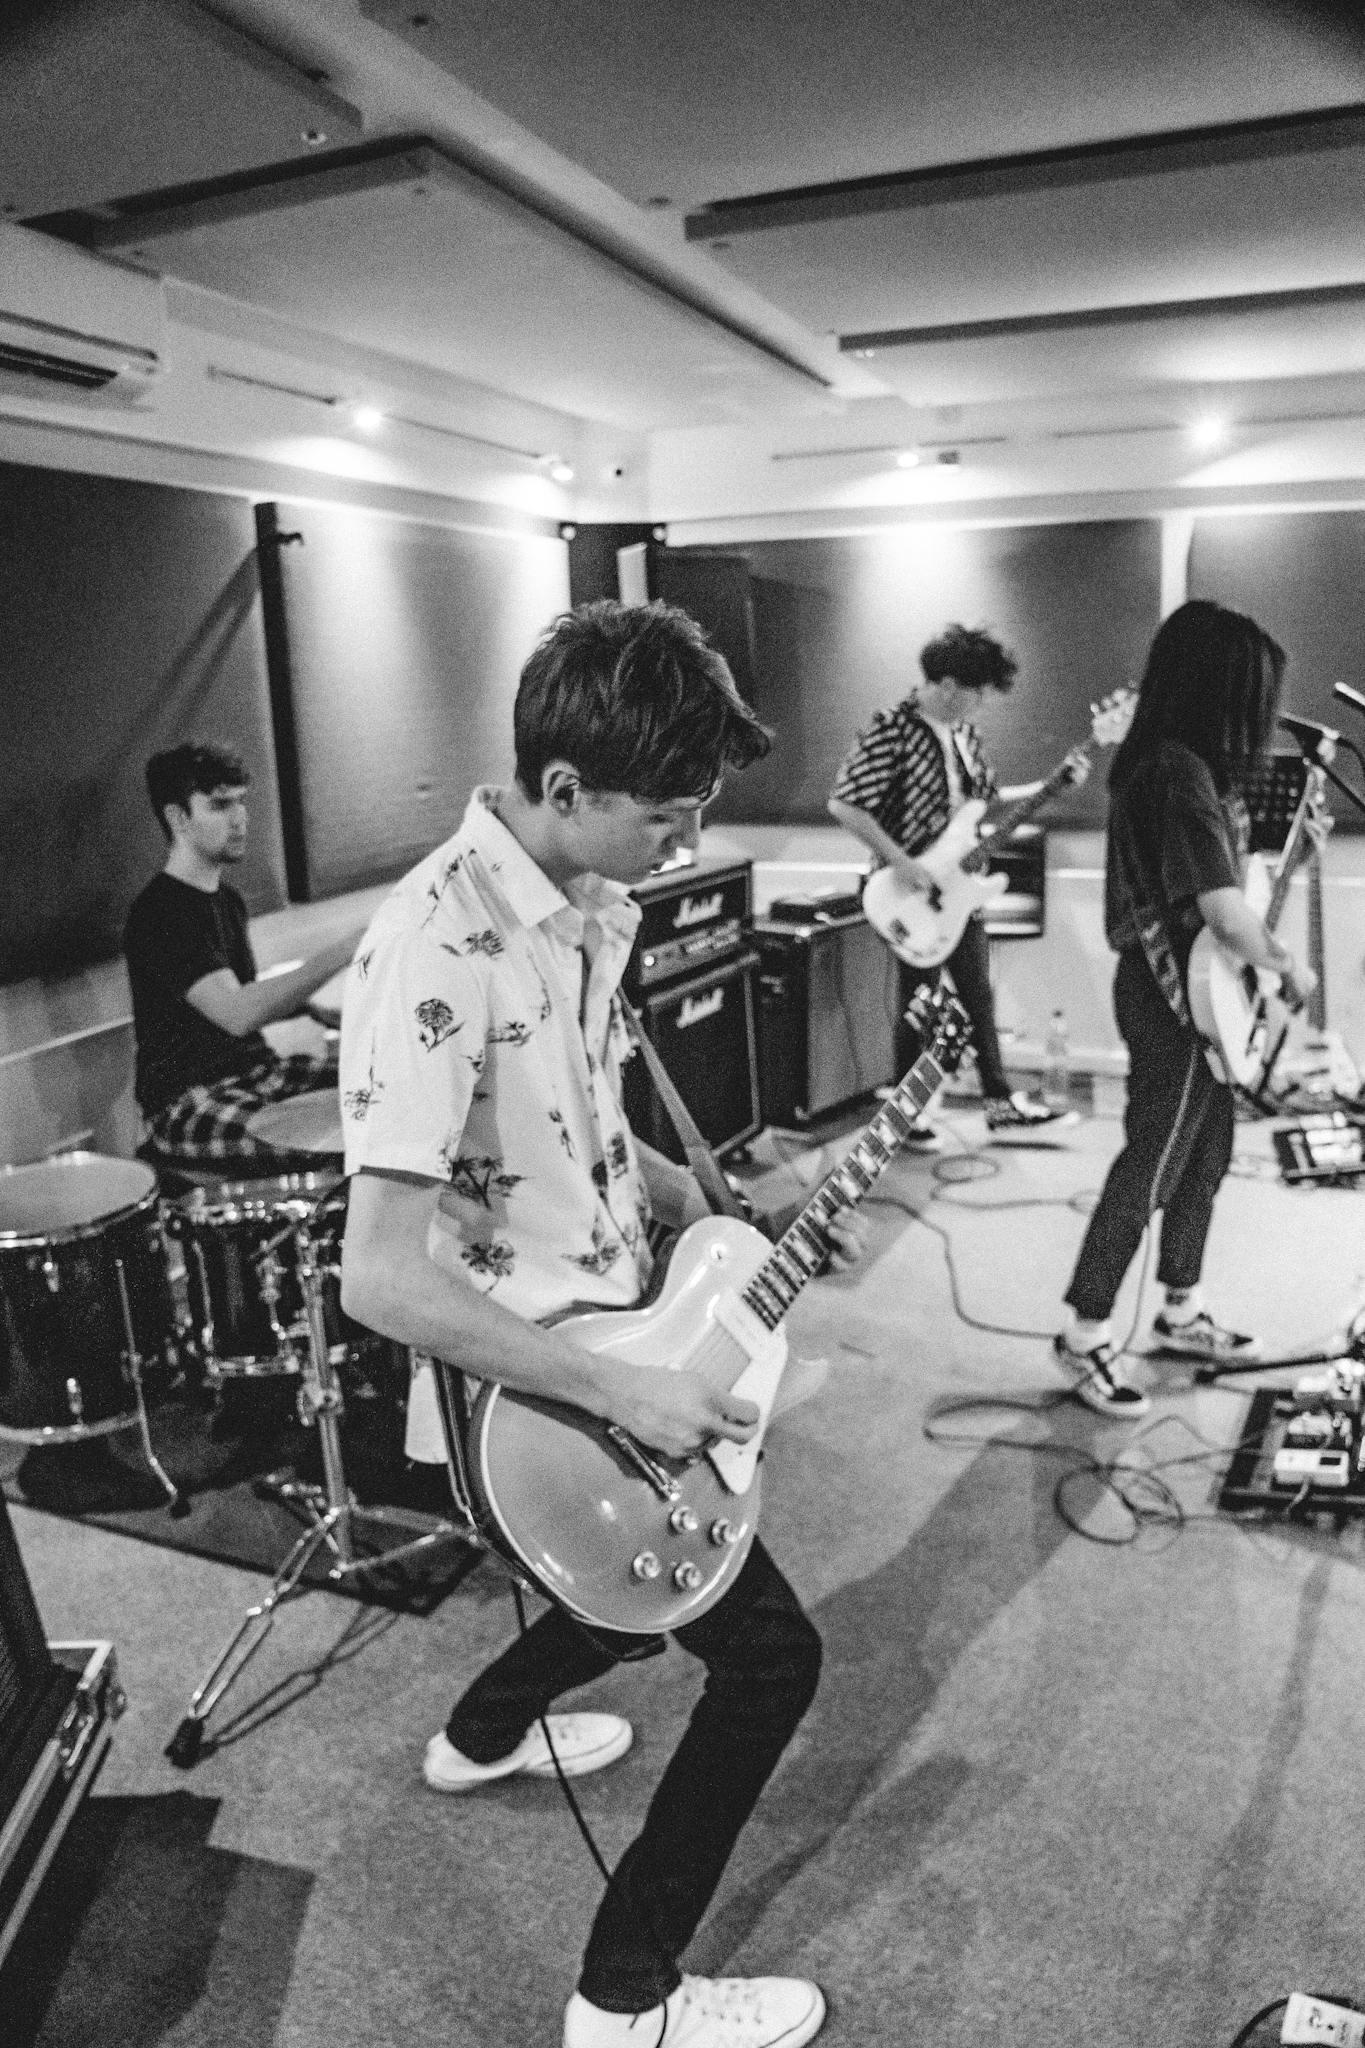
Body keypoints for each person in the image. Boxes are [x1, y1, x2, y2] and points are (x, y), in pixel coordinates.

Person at [339, 600, 862, 2048]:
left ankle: (477, 1735)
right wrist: (619, 1397)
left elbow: (572, 1120)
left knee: (618, 1606)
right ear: (563, 792)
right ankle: (624, 1999)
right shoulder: (433, 946)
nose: (684, 842)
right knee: (769, 1660)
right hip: (537, 1400)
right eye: (669, 814)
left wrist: (692, 1185)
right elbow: (378, 1278)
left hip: (609, 1333)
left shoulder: (580, 912)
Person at [1054, 600, 1316, 1415]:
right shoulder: (1174, 768)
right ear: (1221, 691)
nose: (1261, 717)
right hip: (1170, 997)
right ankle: (1085, 1331)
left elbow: (1232, 889)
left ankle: (1177, 1307)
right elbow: (1220, 910)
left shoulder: (1178, 764)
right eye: (1253, 697)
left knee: (1203, 1160)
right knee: (1152, 1162)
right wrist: (1290, 968)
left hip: (1194, 993)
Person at [829, 621, 1082, 1146]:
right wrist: (899, 860)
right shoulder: (889, 728)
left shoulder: (964, 736)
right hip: (901, 893)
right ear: (947, 686)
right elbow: (844, 802)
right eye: (978, 693)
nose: (981, 705)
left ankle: (998, 1102)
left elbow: (981, 802)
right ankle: (904, 1115)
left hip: (956, 888)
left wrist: (1049, 786)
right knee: (916, 1000)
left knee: (975, 994)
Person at [125, 742, 363, 1166]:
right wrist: (347, 948)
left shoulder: (227, 900)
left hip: (256, 1075)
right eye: (219, 805)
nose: (239, 819)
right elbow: (237, 1014)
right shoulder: (160, 912)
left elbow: (235, 995)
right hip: (190, 1101)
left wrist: (313, 1009)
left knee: (393, 1084)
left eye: (240, 802)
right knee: (350, 1137)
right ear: (178, 818)